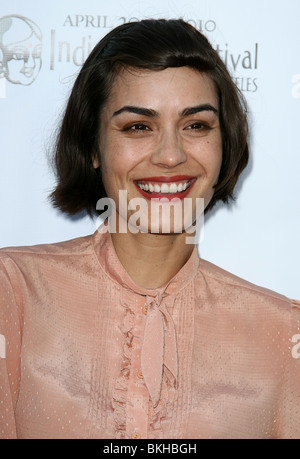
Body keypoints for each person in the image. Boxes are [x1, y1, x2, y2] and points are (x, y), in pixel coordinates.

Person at [0, 18, 299, 440]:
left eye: (196, 125)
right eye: (138, 126)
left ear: (224, 142)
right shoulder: (14, 294)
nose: (171, 155)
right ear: (92, 147)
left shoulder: (283, 334)